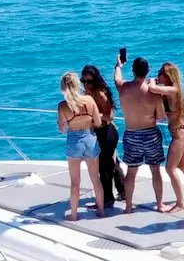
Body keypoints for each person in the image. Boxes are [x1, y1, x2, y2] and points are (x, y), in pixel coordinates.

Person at [112, 48, 170, 212]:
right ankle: (159, 205)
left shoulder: (123, 88)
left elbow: (117, 79)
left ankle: (129, 207)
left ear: (133, 71)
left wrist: (118, 65)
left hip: (131, 134)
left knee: (131, 172)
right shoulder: (154, 93)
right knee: (155, 170)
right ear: (148, 71)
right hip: (151, 133)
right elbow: (160, 117)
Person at [156, 60, 184, 211]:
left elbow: (152, 88)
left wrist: (152, 83)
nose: (158, 76)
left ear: (167, 76)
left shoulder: (173, 90)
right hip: (182, 131)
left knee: (170, 168)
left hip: (179, 134)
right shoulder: (172, 91)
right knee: (182, 165)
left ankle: (180, 203)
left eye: (160, 73)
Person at [56, 72, 99, 220]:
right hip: (90, 138)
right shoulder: (89, 99)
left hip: (74, 141)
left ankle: (74, 216)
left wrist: (62, 123)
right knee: (96, 179)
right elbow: (98, 122)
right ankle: (101, 212)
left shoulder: (62, 105)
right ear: (78, 84)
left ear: (63, 87)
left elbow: (62, 130)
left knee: (75, 182)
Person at [80, 64, 121, 212]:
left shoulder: (100, 94)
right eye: (83, 81)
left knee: (104, 168)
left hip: (106, 132)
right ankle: (121, 191)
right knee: (111, 164)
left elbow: (110, 116)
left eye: (89, 81)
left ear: (95, 81)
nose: (86, 84)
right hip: (97, 132)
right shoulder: (87, 93)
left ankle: (106, 199)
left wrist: (93, 117)